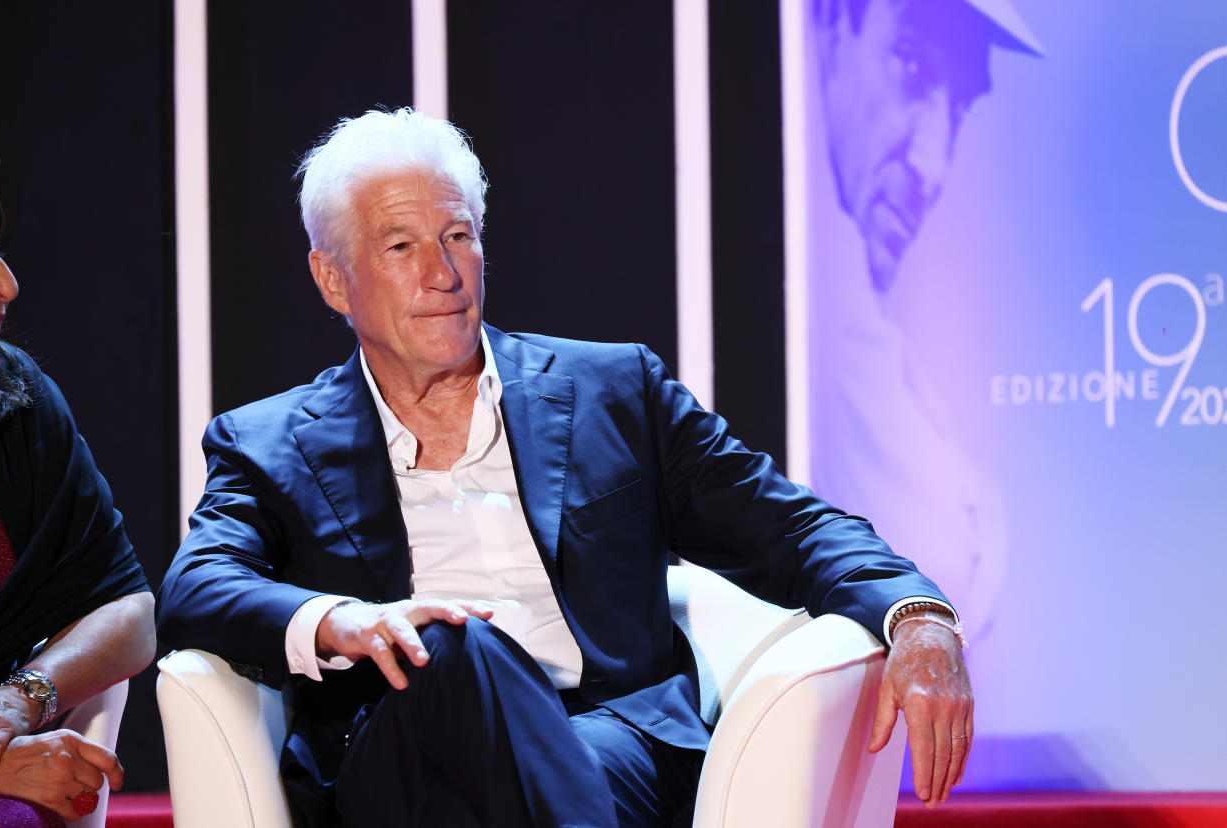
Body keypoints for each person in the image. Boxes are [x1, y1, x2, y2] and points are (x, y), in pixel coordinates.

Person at [157, 108, 972, 828]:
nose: (442, 275)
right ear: (334, 279)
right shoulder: (266, 442)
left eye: (458, 237)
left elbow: (787, 525)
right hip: (390, 752)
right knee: (449, 647)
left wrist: (916, 616)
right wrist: (344, 622)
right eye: (402, 246)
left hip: (609, 738)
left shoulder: (616, 391)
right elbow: (196, 587)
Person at [805, 0, 1040, 634]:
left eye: (959, 108)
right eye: (910, 68)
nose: (932, 165)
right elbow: (941, 564)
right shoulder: (819, 304)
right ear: (827, 25)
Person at [0, 179, 156, 827]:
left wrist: (17, 700)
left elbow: (129, 611)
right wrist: (0, 763)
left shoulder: (19, 403)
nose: (5, 283)